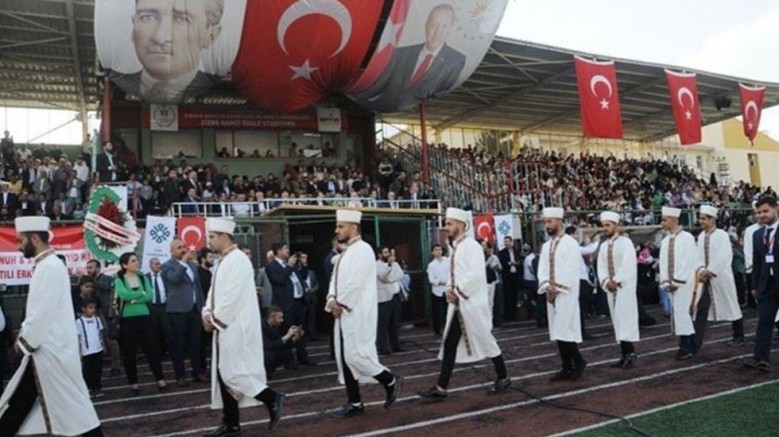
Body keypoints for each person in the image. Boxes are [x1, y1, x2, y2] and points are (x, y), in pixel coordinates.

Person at [0, 216, 103, 436]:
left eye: (20, 241)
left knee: (75, 410)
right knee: (20, 404)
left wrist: (23, 344)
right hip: (45, 353)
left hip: (50, 353)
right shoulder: (47, 265)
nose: (18, 247)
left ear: (35, 239)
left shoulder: (50, 267)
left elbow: (41, 315)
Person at [201, 217, 285, 435]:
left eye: (212, 237)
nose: (209, 241)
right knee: (223, 374)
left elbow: (231, 297)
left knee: (233, 374)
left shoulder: (238, 260)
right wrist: (207, 313)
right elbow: (213, 294)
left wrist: (214, 320)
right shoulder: (224, 261)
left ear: (224, 237)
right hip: (224, 326)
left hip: (235, 327)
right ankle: (231, 423)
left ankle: (271, 397)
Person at [418, 208, 510, 399]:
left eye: (449, 223)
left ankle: (503, 376)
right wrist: (450, 290)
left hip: (471, 303)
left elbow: (475, 275)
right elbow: (454, 274)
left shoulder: (471, 246)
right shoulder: (456, 247)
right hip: (459, 303)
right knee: (450, 343)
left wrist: (458, 292)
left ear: (460, 225)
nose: (446, 227)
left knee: (486, 339)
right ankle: (441, 387)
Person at [325, 209, 403, 417]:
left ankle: (390, 379)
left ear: (353, 227)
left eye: (341, 226)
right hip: (343, 311)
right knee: (345, 357)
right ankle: (355, 402)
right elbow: (335, 279)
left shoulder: (363, 249)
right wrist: (332, 298)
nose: (337, 230)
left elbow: (355, 283)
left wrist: (339, 302)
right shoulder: (346, 252)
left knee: (356, 356)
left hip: (357, 312)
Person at [351, 3, 466, 111]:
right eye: (434, 24)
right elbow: (380, 84)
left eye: (444, 26)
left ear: (451, 28)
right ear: (426, 25)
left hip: (417, 111)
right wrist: (355, 96)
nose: (437, 31)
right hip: (383, 107)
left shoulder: (456, 60)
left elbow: (444, 92)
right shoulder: (401, 53)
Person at [112, 0, 224, 103]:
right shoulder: (123, 80)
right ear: (133, 28)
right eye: (148, 17)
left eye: (182, 19)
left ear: (211, 35)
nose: (160, 38)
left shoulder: (217, 88)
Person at [537, 207, 587, 382]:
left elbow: (571, 269)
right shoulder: (546, 246)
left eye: (549, 221)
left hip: (566, 292)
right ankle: (567, 366)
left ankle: (578, 362)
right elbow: (542, 269)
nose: (547, 225)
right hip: (552, 293)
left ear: (559, 221)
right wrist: (546, 286)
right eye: (545, 222)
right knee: (558, 331)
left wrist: (556, 288)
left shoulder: (570, 244)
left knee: (564, 329)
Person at [115, 252, 168, 395]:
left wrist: (133, 299)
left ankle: (160, 380)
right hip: (127, 321)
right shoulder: (119, 279)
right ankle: (133, 384)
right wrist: (141, 294)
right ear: (125, 265)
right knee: (129, 354)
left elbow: (150, 295)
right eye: (133, 261)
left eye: (136, 260)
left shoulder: (143, 278)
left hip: (145, 319)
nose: (136, 263)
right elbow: (123, 295)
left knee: (152, 350)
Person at [694, 205, 745, 350]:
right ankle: (696, 341)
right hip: (704, 278)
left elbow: (724, 256)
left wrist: (710, 271)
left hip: (721, 277)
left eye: (704, 219)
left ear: (712, 219)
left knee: (731, 305)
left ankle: (739, 336)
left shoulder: (722, 235)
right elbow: (698, 257)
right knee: (701, 308)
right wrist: (702, 270)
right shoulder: (701, 236)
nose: (701, 221)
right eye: (701, 218)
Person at [596, 211, 639, 369]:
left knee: (625, 319)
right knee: (617, 321)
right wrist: (606, 281)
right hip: (611, 289)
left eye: (608, 225)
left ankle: (630, 353)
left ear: (616, 225)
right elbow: (600, 266)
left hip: (623, 288)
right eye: (603, 225)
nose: (605, 228)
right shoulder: (603, 245)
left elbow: (628, 265)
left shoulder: (625, 243)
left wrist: (617, 280)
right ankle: (624, 353)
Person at [162, 238, 207, 387]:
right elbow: (174, 279)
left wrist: (202, 307)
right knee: (179, 344)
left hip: (194, 309)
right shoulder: (167, 266)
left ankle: (197, 372)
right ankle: (180, 375)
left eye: (184, 246)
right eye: (179, 247)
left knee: (196, 343)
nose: (183, 249)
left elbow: (197, 287)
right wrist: (183, 262)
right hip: (177, 310)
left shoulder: (192, 266)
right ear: (172, 251)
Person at [744, 196, 779, 372]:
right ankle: (761, 358)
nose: (761, 215)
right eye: (758, 212)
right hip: (767, 285)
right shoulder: (758, 235)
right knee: (764, 322)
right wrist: (755, 286)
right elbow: (757, 263)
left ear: (776, 209)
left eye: (765, 211)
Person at [659, 207, 698, 360]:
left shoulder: (687, 238)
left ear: (674, 220)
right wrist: (665, 281)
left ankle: (685, 346)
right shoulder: (665, 240)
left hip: (683, 282)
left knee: (681, 313)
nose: (662, 222)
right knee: (679, 314)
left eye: (665, 219)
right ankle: (690, 344)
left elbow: (687, 262)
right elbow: (663, 263)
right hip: (671, 283)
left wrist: (676, 280)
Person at [266, 243, 315, 367]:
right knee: (286, 330)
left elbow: (302, 277)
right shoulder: (272, 266)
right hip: (285, 304)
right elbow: (279, 280)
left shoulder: (290, 265)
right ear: (278, 251)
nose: (288, 251)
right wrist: (288, 267)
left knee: (300, 330)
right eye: (285, 249)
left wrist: (303, 264)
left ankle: (302, 356)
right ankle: (288, 360)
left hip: (298, 302)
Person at [86, 259, 120, 376]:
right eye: (88, 268)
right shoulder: (89, 281)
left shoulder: (107, 279)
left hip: (105, 312)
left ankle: (116, 365)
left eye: (91, 267)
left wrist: (92, 282)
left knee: (111, 339)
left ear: (98, 268)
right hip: (92, 313)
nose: (88, 270)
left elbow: (107, 288)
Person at [376, 246, 405, 355]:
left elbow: (399, 274)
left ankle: (395, 345)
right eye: (385, 252)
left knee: (395, 323)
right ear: (379, 255)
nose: (388, 254)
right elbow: (383, 276)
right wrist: (388, 266)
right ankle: (383, 347)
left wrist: (390, 277)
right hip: (383, 298)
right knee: (383, 324)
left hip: (395, 296)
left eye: (388, 252)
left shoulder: (394, 263)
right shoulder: (377, 265)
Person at [76, 298, 106, 399]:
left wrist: (103, 346)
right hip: (86, 351)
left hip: (98, 349)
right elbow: (78, 337)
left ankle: (97, 388)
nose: (92, 310)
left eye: (94, 308)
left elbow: (100, 333)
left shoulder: (97, 319)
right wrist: (79, 351)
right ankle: (89, 388)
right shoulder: (79, 322)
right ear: (83, 309)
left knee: (97, 369)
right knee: (87, 370)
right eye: (90, 308)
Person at [262, 306, 303, 377]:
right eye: (279, 318)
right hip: (259, 353)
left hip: (267, 350)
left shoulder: (275, 326)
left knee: (285, 351)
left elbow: (279, 343)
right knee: (269, 355)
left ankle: (268, 371)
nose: (282, 320)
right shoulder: (261, 327)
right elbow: (267, 346)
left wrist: (293, 339)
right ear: (272, 317)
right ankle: (264, 372)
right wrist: (287, 336)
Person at [147, 257, 172, 356]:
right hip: (152, 307)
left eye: (159, 263)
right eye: (156, 264)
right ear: (151, 265)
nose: (158, 265)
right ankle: (158, 351)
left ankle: (170, 349)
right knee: (154, 330)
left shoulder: (165, 277)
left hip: (164, 306)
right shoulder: (146, 278)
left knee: (167, 329)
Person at [427, 244, 450, 337]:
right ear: (433, 252)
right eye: (436, 250)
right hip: (437, 292)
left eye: (439, 250)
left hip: (448, 290)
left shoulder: (447, 261)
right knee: (437, 313)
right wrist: (440, 282)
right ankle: (437, 332)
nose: (438, 252)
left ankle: (448, 329)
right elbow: (431, 279)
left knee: (448, 311)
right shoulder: (431, 265)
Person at [498, 236, 521, 321]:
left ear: (511, 242)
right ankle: (508, 315)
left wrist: (517, 263)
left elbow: (519, 260)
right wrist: (509, 263)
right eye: (505, 242)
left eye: (507, 241)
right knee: (508, 296)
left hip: (515, 276)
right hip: (507, 276)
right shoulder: (502, 253)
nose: (506, 243)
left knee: (515, 295)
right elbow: (502, 263)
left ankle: (515, 314)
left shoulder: (516, 251)